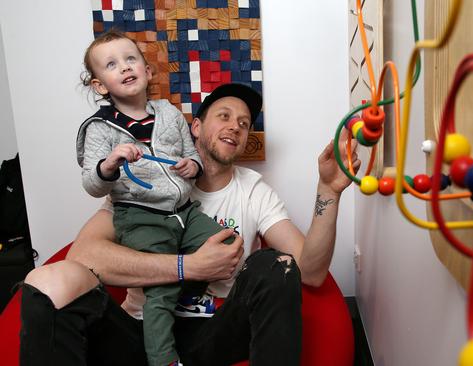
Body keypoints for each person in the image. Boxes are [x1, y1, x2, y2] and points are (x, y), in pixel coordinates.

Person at [19, 78, 360, 364]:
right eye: (224, 116)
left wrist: (328, 190)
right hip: (138, 331)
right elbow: (83, 257)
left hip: (213, 333)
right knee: (51, 279)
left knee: (277, 264)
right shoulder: (146, 183)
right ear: (195, 127)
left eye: (244, 124)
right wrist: (189, 267)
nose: (235, 127)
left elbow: (311, 272)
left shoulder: (253, 190)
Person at [75, 29, 235, 366]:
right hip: (141, 216)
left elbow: (192, 152)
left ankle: (188, 299)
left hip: (183, 210)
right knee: (160, 289)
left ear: (147, 72)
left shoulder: (169, 113)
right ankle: (163, 359)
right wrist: (111, 163)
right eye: (112, 64)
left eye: (130, 59)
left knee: (225, 243)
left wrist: (191, 165)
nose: (124, 67)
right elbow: (92, 184)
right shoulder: (99, 128)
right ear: (100, 85)